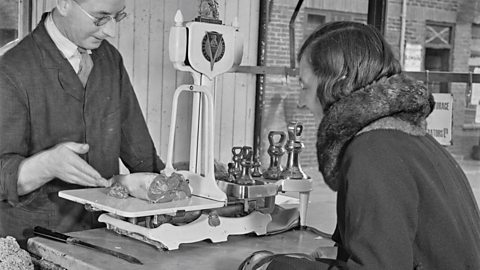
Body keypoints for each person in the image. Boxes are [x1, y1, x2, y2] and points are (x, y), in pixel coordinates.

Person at [245, 21, 480, 269]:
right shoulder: (407, 140)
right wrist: (341, 255)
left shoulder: (374, 152)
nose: (302, 102)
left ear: (339, 81)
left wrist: (273, 266)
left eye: (305, 87)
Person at [0, 0, 164, 247]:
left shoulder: (109, 59)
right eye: (100, 18)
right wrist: (46, 165)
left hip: (104, 234)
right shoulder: (11, 69)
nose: (110, 31)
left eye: (117, 17)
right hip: (36, 240)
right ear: (64, 4)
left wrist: (165, 190)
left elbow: (138, 147)